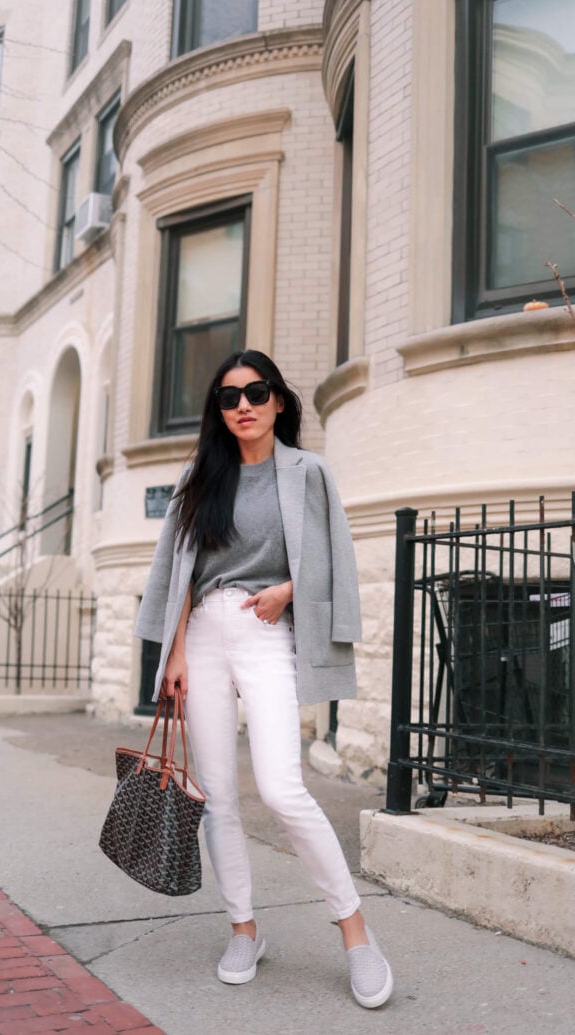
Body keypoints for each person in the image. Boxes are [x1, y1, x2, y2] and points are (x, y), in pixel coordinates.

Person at [134, 349, 393, 1009]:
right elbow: (181, 569)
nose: (242, 405)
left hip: (266, 631)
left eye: (256, 392)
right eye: (229, 397)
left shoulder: (308, 471)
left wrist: (284, 590)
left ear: (279, 400)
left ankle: (355, 930)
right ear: (218, 411)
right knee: (217, 796)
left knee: (282, 789)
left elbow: (332, 558)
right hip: (205, 637)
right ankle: (244, 928)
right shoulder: (202, 476)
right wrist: (177, 654)